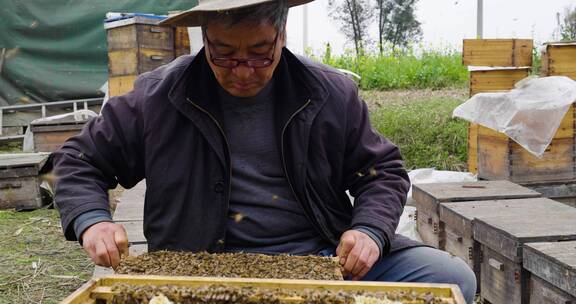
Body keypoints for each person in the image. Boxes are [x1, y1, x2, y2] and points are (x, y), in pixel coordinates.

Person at [53, 0, 476, 302]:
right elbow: (79, 160)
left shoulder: (328, 92)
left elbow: (381, 171)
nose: (242, 71)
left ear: (281, 35)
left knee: (451, 277)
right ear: (205, 40)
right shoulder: (159, 96)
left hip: (322, 257)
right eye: (224, 55)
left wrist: (368, 231)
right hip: (199, 265)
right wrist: (93, 221)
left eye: (259, 54)